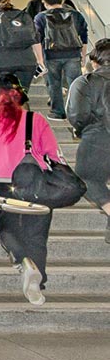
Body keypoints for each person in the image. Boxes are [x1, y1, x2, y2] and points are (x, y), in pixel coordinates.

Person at [0, 72, 61, 306]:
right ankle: (37, 282)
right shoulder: (36, 119)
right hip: (36, 181)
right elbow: (54, 154)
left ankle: (24, 262)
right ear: (19, 94)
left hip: (3, 184)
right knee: (37, 235)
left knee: (7, 230)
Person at [67, 39, 110, 225]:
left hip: (98, 136)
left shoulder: (85, 81)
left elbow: (77, 114)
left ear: (95, 61)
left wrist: (80, 129)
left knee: (87, 179)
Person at [34, 0, 88, 120]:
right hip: (73, 54)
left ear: (45, 3)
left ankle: (58, 112)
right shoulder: (76, 15)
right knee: (75, 84)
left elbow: (37, 39)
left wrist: (40, 60)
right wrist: (83, 56)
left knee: (54, 84)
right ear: (62, 1)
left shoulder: (40, 17)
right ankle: (78, 112)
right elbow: (84, 36)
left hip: (51, 55)